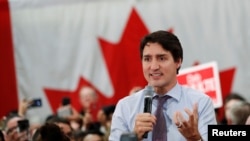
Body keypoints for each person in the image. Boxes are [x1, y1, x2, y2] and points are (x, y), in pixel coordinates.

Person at [109, 30, 217, 141]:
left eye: (162, 58)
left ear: (178, 61)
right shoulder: (125, 107)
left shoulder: (201, 103)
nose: (154, 66)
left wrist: (195, 138)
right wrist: (133, 137)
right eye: (147, 59)